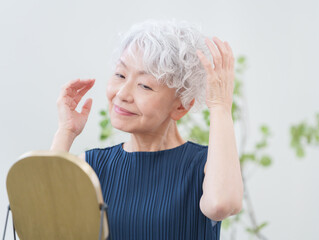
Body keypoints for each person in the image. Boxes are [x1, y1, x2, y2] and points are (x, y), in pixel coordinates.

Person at [50, 18, 243, 240]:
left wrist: (220, 106)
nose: (122, 93)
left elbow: (222, 204)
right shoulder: (91, 167)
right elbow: (41, 224)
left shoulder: (203, 165)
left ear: (180, 106)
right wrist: (66, 131)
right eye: (120, 75)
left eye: (145, 85)